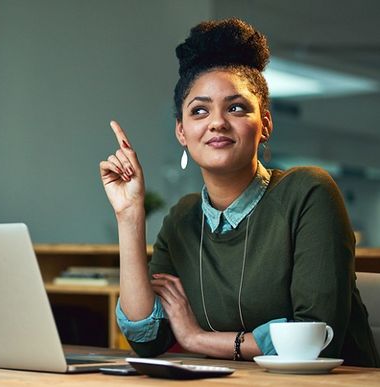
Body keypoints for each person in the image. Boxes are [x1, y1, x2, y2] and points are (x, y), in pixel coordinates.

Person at [99, 18, 379, 367]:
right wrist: (129, 215)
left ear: (266, 123)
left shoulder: (309, 192)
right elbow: (147, 339)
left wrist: (197, 338)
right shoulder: (182, 219)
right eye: (199, 110)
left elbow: (313, 338)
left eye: (236, 107)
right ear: (181, 132)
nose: (217, 122)